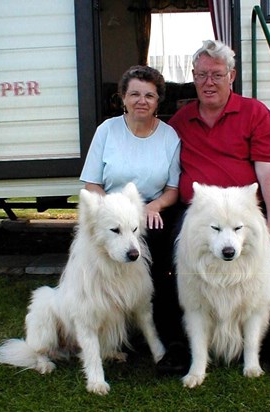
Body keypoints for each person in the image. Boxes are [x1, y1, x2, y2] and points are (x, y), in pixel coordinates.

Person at [157, 40, 270, 381]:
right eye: (202, 74)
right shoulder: (180, 120)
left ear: (231, 76)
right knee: (170, 257)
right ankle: (177, 345)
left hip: (243, 210)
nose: (209, 82)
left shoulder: (254, 112)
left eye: (217, 74)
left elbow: (267, 170)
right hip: (199, 212)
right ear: (193, 76)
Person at [80, 65, 182, 347]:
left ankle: (162, 329)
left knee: (161, 260)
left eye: (149, 95)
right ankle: (106, 327)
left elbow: (173, 189)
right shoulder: (107, 131)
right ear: (122, 97)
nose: (142, 100)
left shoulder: (169, 137)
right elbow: (91, 183)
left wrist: (154, 207)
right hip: (111, 212)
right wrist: (108, 211)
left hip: (150, 213)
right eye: (134, 93)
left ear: (158, 101)